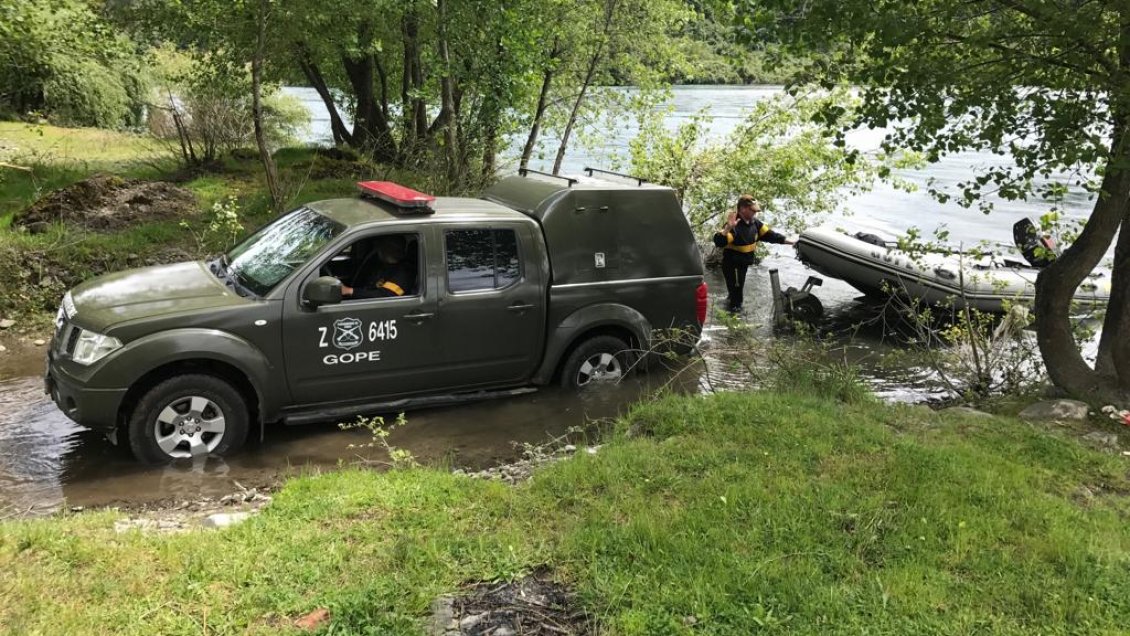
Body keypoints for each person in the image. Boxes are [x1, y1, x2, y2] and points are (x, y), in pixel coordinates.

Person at [712, 195, 793, 313]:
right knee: (737, 297)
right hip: (733, 265)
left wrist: (791, 242)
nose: (755, 213)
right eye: (753, 210)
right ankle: (735, 319)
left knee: (735, 292)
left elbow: (771, 235)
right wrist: (727, 229)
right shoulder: (734, 225)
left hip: (742, 265)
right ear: (743, 209)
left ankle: (729, 309)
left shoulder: (755, 223)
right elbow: (719, 242)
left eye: (756, 211)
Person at [342, 234, 417, 299]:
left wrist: (350, 291)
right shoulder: (380, 265)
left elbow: (385, 296)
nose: (377, 250)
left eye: (380, 246)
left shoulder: (403, 274)